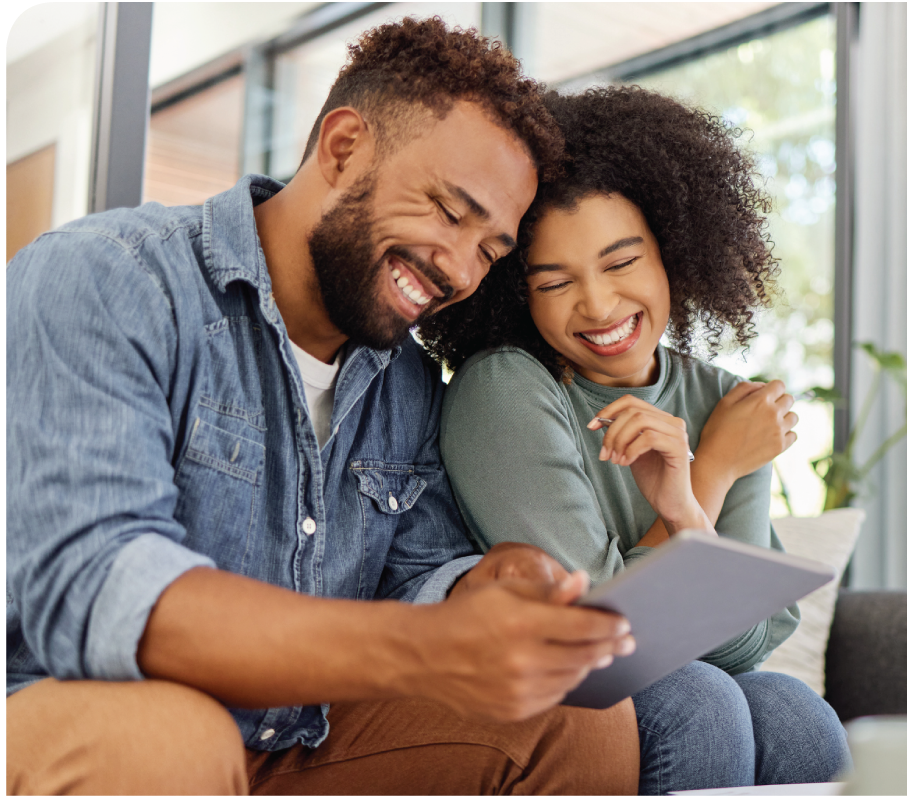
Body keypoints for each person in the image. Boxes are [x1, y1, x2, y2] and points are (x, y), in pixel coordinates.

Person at [6, 19, 643, 795]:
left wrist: (481, 587)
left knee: (579, 714)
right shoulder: (107, 279)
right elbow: (101, 586)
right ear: (343, 150)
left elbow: (416, 575)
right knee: (171, 742)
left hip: (294, 742)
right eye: (448, 210)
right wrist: (424, 643)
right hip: (73, 714)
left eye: (490, 248)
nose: (460, 270)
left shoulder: (405, 380)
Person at [421, 86, 853, 792]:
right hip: (544, 692)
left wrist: (685, 510)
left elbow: (744, 643)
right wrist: (707, 473)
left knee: (793, 710)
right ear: (517, 294)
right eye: (555, 281)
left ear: (673, 254)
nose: (596, 304)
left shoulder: (722, 398)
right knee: (698, 701)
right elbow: (599, 634)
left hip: (679, 681)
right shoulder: (506, 388)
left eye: (621, 263)